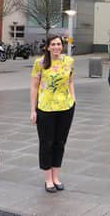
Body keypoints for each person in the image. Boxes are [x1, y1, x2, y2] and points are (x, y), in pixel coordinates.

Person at [30, 35, 76, 193]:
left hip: (65, 108)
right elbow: (34, 87)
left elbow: (70, 81)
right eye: (53, 44)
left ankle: (56, 176)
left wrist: (73, 100)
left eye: (59, 44)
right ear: (48, 47)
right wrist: (32, 110)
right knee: (46, 143)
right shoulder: (40, 63)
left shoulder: (69, 61)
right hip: (45, 109)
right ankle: (48, 179)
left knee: (60, 142)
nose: (57, 47)